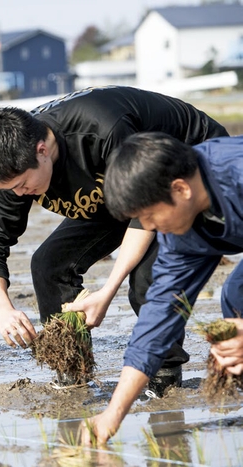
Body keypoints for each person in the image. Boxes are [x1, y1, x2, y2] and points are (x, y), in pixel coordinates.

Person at [0, 86, 228, 391]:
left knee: (145, 280)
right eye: (11, 189)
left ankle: (164, 375)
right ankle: (70, 370)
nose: (19, 194)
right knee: (49, 264)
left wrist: (108, 290)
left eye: (23, 185)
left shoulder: (102, 129)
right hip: (113, 192)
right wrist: (3, 308)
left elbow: (144, 209)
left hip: (183, 172)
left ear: (42, 151)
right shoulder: (11, 168)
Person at [81, 132, 243, 444]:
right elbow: (157, 318)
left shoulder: (236, 173)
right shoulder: (180, 231)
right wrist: (111, 416)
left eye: (149, 215)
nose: (150, 227)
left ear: (180, 189)